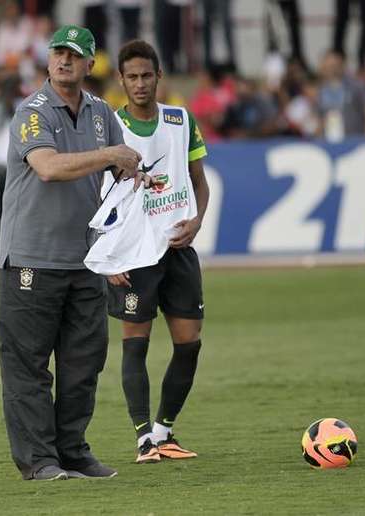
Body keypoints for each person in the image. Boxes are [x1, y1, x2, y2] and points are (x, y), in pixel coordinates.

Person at [0, 24, 146, 481]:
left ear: (89, 64)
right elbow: (47, 168)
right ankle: (39, 460)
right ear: (49, 59)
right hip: (31, 258)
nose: (64, 60)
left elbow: (124, 169)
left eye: (74, 55)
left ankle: (73, 451)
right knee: (30, 368)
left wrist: (132, 179)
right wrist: (110, 157)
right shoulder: (33, 112)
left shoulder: (102, 113)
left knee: (83, 364)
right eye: (58, 52)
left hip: (85, 260)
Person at [103, 39, 210, 464]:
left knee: (190, 342)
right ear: (121, 80)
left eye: (148, 75)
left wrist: (197, 220)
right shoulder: (111, 128)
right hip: (133, 255)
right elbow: (99, 198)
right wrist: (108, 256)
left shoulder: (181, 120)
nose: (141, 84)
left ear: (159, 76)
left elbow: (199, 180)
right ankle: (143, 438)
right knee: (136, 344)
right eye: (132, 76)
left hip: (177, 249)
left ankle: (165, 431)